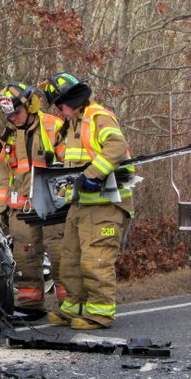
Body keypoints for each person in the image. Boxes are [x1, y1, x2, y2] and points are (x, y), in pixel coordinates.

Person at [41, 73, 134, 329]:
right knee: (69, 259)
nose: (60, 111)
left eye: (60, 105)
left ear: (70, 100)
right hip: (81, 203)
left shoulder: (97, 117)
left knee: (96, 259)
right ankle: (74, 307)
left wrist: (94, 174)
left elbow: (116, 146)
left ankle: (100, 313)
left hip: (105, 204)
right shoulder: (73, 124)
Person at [0, 81, 67, 317]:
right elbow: (5, 176)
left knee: (60, 255)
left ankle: (70, 306)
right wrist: (2, 208)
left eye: (17, 113)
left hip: (55, 206)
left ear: (30, 105)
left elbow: (71, 165)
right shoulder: (8, 138)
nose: (13, 118)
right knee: (24, 258)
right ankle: (30, 305)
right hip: (22, 209)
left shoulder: (53, 126)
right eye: (9, 115)